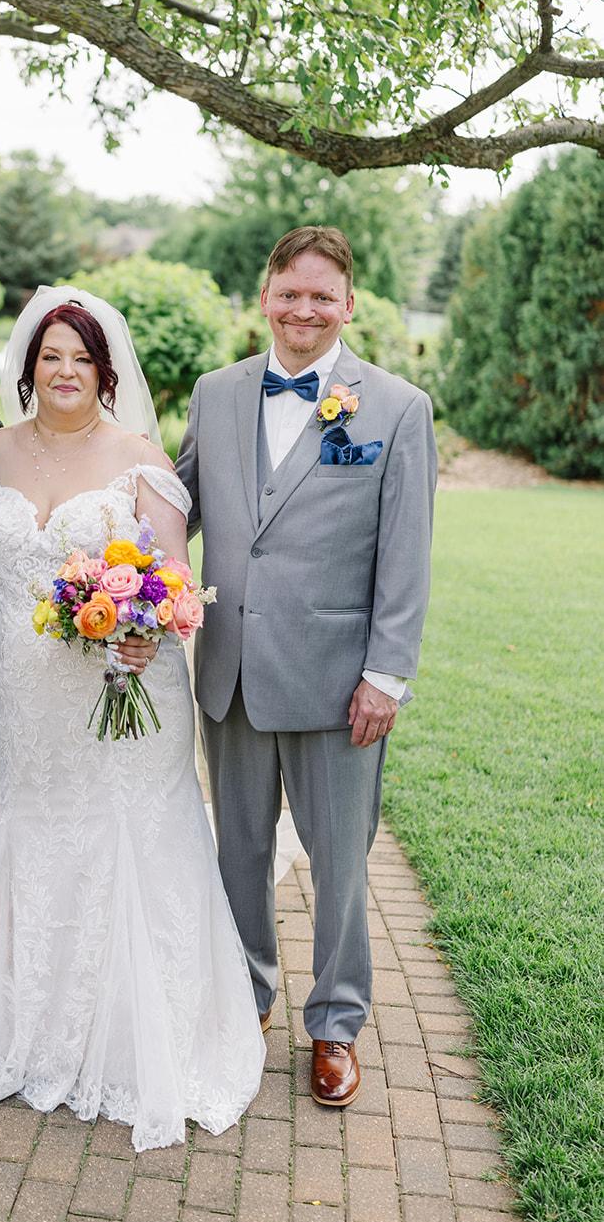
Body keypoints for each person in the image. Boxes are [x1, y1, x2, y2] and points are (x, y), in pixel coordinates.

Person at [0, 287, 265, 1150]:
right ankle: (16, 1022)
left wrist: (144, 629)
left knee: (122, 833)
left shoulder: (139, 460)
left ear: (105, 371)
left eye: (80, 358)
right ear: (27, 368)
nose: (64, 371)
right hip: (18, 691)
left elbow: (175, 580)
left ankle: (128, 1036)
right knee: (24, 822)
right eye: (50, 356)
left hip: (119, 689)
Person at [177, 226, 437, 1107]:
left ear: (348, 305)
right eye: (289, 292)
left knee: (339, 866)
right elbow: (175, 507)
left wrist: (386, 674)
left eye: (322, 296)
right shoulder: (215, 393)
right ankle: (246, 997)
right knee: (239, 852)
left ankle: (333, 1024)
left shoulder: (396, 408)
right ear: (264, 297)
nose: (303, 309)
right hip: (231, 672)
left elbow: (405, 554)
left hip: (337, 682)